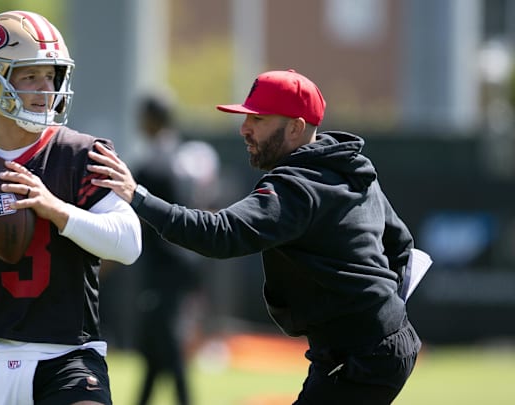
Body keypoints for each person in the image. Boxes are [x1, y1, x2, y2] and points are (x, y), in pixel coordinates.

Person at [89, 69, 422, 404]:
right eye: (246, 117)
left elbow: (221, 234)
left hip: (359, 356)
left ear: (295, 126)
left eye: (258, 119)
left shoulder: (296, 186)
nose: (244, 128)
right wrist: (383, 313)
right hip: (377, 345)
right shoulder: (348, 166)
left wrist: (138, 197)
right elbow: (401, 245)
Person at [0, 10, 141, 405]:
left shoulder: (83, 155)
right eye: (30, 75)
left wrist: (55, 208)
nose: (45, 88)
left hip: (66, 359)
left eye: (51, 75)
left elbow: (129, 244)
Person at [130, 93, 205, 405]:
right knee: (155, 343)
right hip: (186, 261)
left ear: (151, 119)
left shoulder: (153, 164)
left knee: (167, 341)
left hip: (164, 265)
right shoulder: (184, 159)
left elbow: (137, 218)